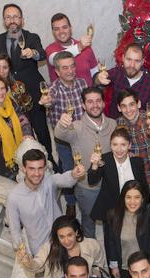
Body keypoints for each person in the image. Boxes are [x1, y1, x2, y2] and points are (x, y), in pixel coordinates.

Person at [54, 87, 116, 237]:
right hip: (87, 187)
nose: (94, 105)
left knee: (111, 221)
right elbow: (59, 133)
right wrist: (62, 123)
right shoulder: (76, 127)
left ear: (103, 103)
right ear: (83, 105)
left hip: (109, 184)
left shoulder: (113, 124)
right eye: (90, 102)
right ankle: (91, 253)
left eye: (98, 101)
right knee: (89, 221)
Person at [0, 3, 52, 162]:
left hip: (33, 94)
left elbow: (41, 54)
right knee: (22, 132)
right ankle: (29, 163)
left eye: (15, 17)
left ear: (22, 20)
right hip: (11, 97)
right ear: (4, 20)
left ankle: (50, 160)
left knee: (42, 130)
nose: (12, 20)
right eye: (8, 17)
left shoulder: (31, 37)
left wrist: (32, 52)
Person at [6, 148, 85, 257]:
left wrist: (74, 174)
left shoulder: (47, 180)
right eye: (32, 169)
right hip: (42, 249)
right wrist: (22, 252)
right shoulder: (14, 198)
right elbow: (15, 231)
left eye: (40, 168)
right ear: (23, 169)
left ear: (45, 168)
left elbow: (65, 179)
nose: (37, 173)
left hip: (63, 240)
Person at [40, 51, 88, 218]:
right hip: (64, 142)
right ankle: (71, 203)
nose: (70, 71)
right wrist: (45, 102)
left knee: (86, 165)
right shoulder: (53, 90)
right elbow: (48, 101)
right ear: (57, 72)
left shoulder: (82, 84)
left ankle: (85, 195)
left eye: (72, 66)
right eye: (64, 68)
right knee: (68, 169)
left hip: (82, 136)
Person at [17, 216, 107, 278]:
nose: (66, 241)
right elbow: (37, 265)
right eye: (62, 237)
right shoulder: (49, 248)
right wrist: (27, 261)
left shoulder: (92, 245)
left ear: (76, 232)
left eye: (70, 235)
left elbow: (99, 265)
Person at [115, 89, 150, 212]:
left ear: (138, 104)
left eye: (132, 104)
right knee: (140, 219)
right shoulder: (118, 125)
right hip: (135, 183)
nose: (128, 110)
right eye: (124, 106)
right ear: (119, 108)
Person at [104, 180, 150, 278]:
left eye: (137, 197)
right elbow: (111, 242)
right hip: (126, 268)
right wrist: (114, 265)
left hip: (146, 268)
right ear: (123, 198)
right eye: (128, 197)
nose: (132, 202)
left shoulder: (148, 213)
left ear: (142, 199)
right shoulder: (113, 215)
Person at [88, 126, 148, 223]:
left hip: (134, 209)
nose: (119, 149)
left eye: (123, 145)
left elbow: (144, 188)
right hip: (112, 212)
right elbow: (91, 181)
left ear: (129, 146)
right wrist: (94, 165)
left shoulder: (137, 162)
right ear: (110, 145)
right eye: (115, 144)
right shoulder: (104, 160)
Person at [95, 43, 150, 119]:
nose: (132, 65)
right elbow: (97, 81)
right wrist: (99, 78)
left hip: (139, 129)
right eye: (129, 59)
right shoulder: (117, 73)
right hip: (115, 127)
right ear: (123, 58)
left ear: (142, 62)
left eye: (137, 61)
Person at [45, 13, 97, 86]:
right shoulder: (50, 50)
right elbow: (56, 59)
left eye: (65, 27)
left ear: (70, 28)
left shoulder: (86, 47)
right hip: (63, 96)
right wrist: (79, 47)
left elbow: (94, 72)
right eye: (57, 29)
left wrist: (99, 78)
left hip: (87, 94)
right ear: (53, 32)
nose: (61, 32)